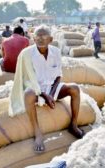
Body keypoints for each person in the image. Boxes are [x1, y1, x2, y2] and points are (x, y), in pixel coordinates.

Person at [9, 25, 85, 153]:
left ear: (50, 39)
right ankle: (37, 133)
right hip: (34, 88)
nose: (40, 38)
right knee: (28, 94)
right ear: (33, 38)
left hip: (52, 87)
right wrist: (45, 95)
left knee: (75, 88)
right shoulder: (26, 54)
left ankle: (73, 125)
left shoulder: (56, 52)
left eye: (44, 36)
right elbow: (26, 80)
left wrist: (53, 91)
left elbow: (58, 75)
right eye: (38, 36)